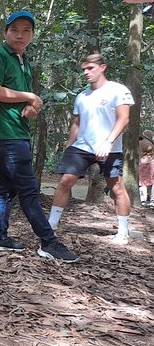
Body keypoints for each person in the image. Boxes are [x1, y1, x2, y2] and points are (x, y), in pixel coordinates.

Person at [0, 10, 78, 262]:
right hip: (6, 136)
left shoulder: (24, 62)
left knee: (7, 189)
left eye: (26, 31)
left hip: (17, 132)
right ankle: (48, 242)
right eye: (15, 30)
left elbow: (23, 101)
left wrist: (32, 107)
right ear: (5, 32)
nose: (20, 35)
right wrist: (30, 96)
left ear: (32, 35)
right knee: (28, 191)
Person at [47, 54, 134, 244]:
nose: (86, 72)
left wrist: (108, 141)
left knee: (117, 187)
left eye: (90, 68)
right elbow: (77, 123)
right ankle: (51, 224)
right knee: (64, 182)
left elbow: (123, 119)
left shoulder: (118, 90)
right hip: (81, 147)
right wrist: (70, 145)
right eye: (84, 69)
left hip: (109, 147)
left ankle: (123, 231)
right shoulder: (82, 96)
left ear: (103, 67)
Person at [139, 130, 154, 205]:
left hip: (142, 163)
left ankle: (143, 199)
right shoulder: (149, 144)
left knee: (142, 182)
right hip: (149, 164)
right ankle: (150, 198)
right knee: (150, 182)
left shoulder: (140, 143)